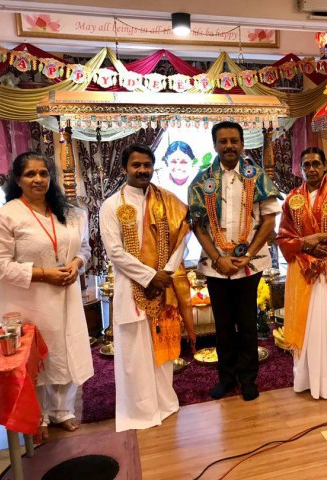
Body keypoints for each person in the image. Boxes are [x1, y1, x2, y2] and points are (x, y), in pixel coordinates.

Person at [0, 152, 93, 440]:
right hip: (29, 301)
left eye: (43, 173)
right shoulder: (7, 216)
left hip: (66, 295)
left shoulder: (69, 213)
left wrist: (76, 264)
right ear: (18, 180)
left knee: (65, 352)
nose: (38, 179)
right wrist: (44, 274)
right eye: (30, 174)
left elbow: (84, 248)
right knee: (38, 358)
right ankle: (39, 416)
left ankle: (63, 410)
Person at [100, 143, 195, 432]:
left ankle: (164, 403)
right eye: (136, 165)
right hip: (131, 288)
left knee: (163, 352)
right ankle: (139, 411)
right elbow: (115, 252)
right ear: (124, 168)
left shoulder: (168, 200)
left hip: (164, 285)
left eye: (147, 165)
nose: (142, 170)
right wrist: (149, 277)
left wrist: (166, 274)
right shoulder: (111, 205)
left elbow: (183, 237)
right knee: (134, 352)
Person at [188, 121, 281, 402]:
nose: (229, 146)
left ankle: (248, 379)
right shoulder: (202, 180)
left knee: (248, 322)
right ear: (215, 145)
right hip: (215, 266)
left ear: (242, 143)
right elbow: (197, 225)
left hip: (249, 263)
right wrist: (218, 258)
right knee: (224, 325)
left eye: (234, 141)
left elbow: (269, 220)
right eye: (223, 141)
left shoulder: (257, 176)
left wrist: (249, 255)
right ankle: (226, 378)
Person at [276, 147, 327, 399]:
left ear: (325, 166)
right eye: (306, 165)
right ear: (300, 169)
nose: (311, 169)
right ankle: (304, 377)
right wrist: (306, 245)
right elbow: (283, 237)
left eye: (316, 164)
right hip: (302, 270)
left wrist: (324, 236)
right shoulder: (292, 199)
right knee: (305, 321)